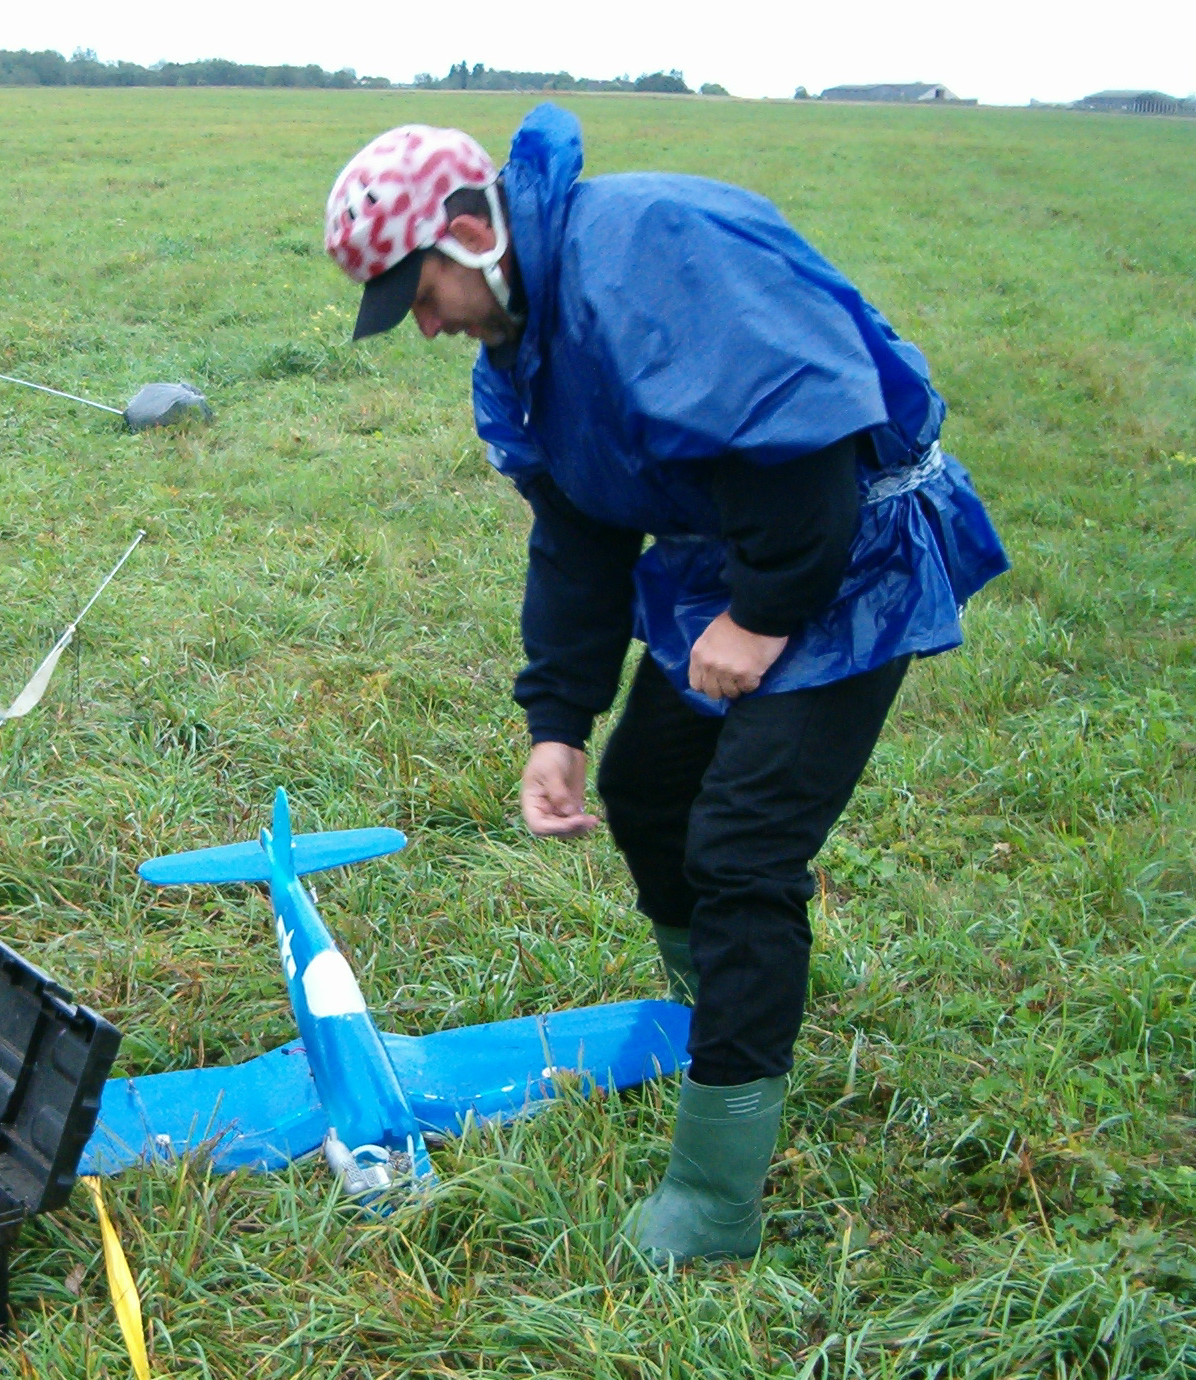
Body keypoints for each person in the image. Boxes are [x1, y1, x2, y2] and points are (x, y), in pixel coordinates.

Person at [325, 109, 1008, 1264]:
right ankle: (721, 1011)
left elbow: (804, 438)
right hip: (735, 559)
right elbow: (577, 543)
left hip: (845, 551)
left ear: (468, 233)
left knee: (741, 845)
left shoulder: (648, 253)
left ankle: (713, 1199)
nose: (425, 325)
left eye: (420, 294)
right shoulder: (522, 354)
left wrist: (762, 615)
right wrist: (556, 721)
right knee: (644, 788)